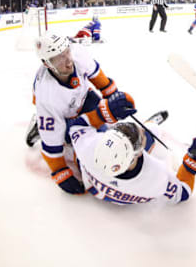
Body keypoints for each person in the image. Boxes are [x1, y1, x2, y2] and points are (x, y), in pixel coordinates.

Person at [28, 34, 136, 195]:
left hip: (83, 97)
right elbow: (52, 144)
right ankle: (39, 125)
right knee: (75, 140)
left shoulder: (77, 53)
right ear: (47, 64)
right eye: (58, 58)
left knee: (102, 126)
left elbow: (98, 77)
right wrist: (59, 172)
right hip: (61, 115)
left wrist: (114, 98)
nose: (68, 61)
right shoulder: (47, 96)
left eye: (66, 53)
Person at [65, 111, 196, 205]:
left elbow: (75, 126)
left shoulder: (88, 146)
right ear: (139, 153)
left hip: (94, 187)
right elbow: (183, 193)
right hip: (123, 197)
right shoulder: (157, 175)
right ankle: (151, 125)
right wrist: (191, 165)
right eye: (140, 135)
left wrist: (104, 111)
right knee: (153, 131)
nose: (140, 130)